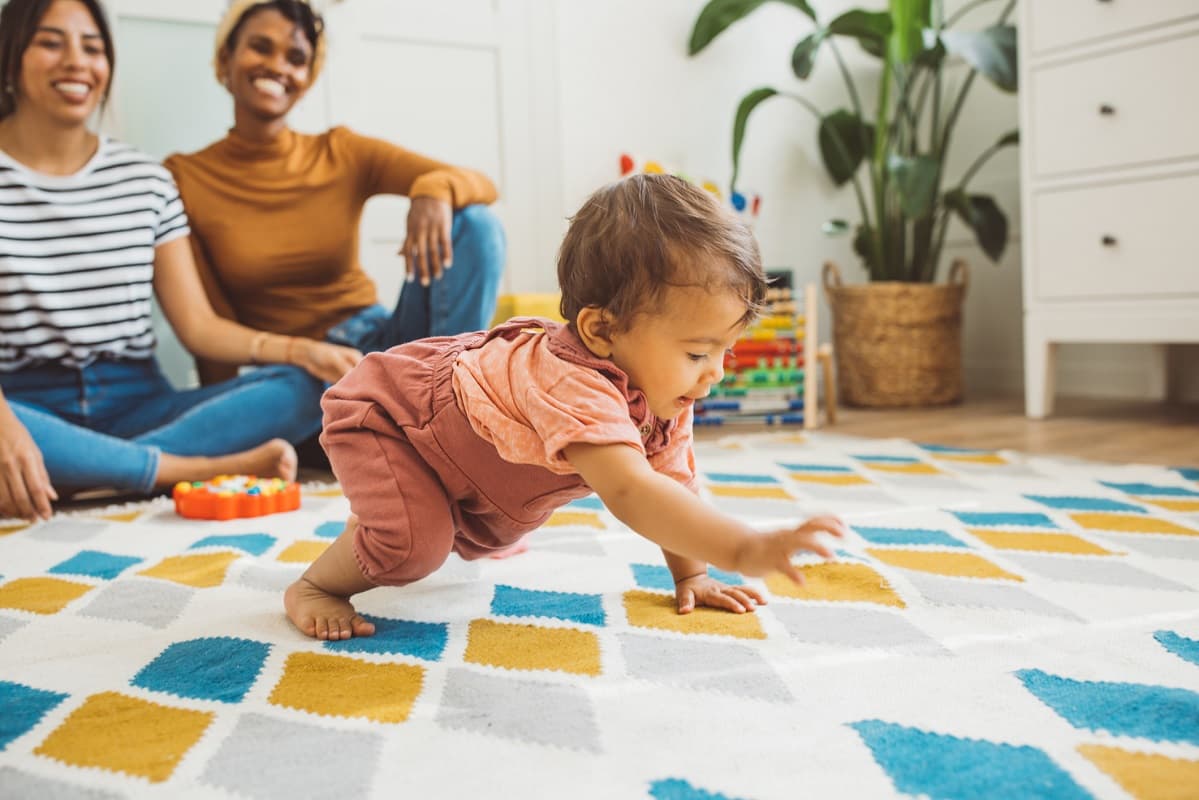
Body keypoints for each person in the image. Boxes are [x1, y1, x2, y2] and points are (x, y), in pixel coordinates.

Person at [284, 174, 849, 640]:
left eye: (725, 350)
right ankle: (315, 585)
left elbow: (670, 487)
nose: (716, 372)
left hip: (466, 466)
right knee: (412, 549)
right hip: (392, 419)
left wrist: (694, 574)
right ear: (601, 330)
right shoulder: (571, 380)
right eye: (699, 351)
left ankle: (399, 507)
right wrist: (743, 546)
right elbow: (632, 491)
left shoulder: (664, 392)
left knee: (488, 534)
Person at [0, 0, 363, 521]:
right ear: (11, 58)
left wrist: (301, 350)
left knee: (315, 384)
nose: (77, 62)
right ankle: (176, 470)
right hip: (27, 405)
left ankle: (86, 472)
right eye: (51, 42)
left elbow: (198, 326)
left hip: (138, 400)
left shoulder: (145, 181)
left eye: (93, 47)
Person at [164, 0, 505, 400]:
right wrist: (229, 412)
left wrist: (434, 189)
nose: (277, 66)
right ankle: (415, 416)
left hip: (381, 339)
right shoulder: (185, 178)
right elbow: (209, 321)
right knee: (293, 403)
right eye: (261, 47)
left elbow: (483, 184)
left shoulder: (341, 152)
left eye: (295, 58)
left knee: (477, 224)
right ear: (226, 58)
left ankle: (452, 398)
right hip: (298, 370)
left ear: (307, 78)